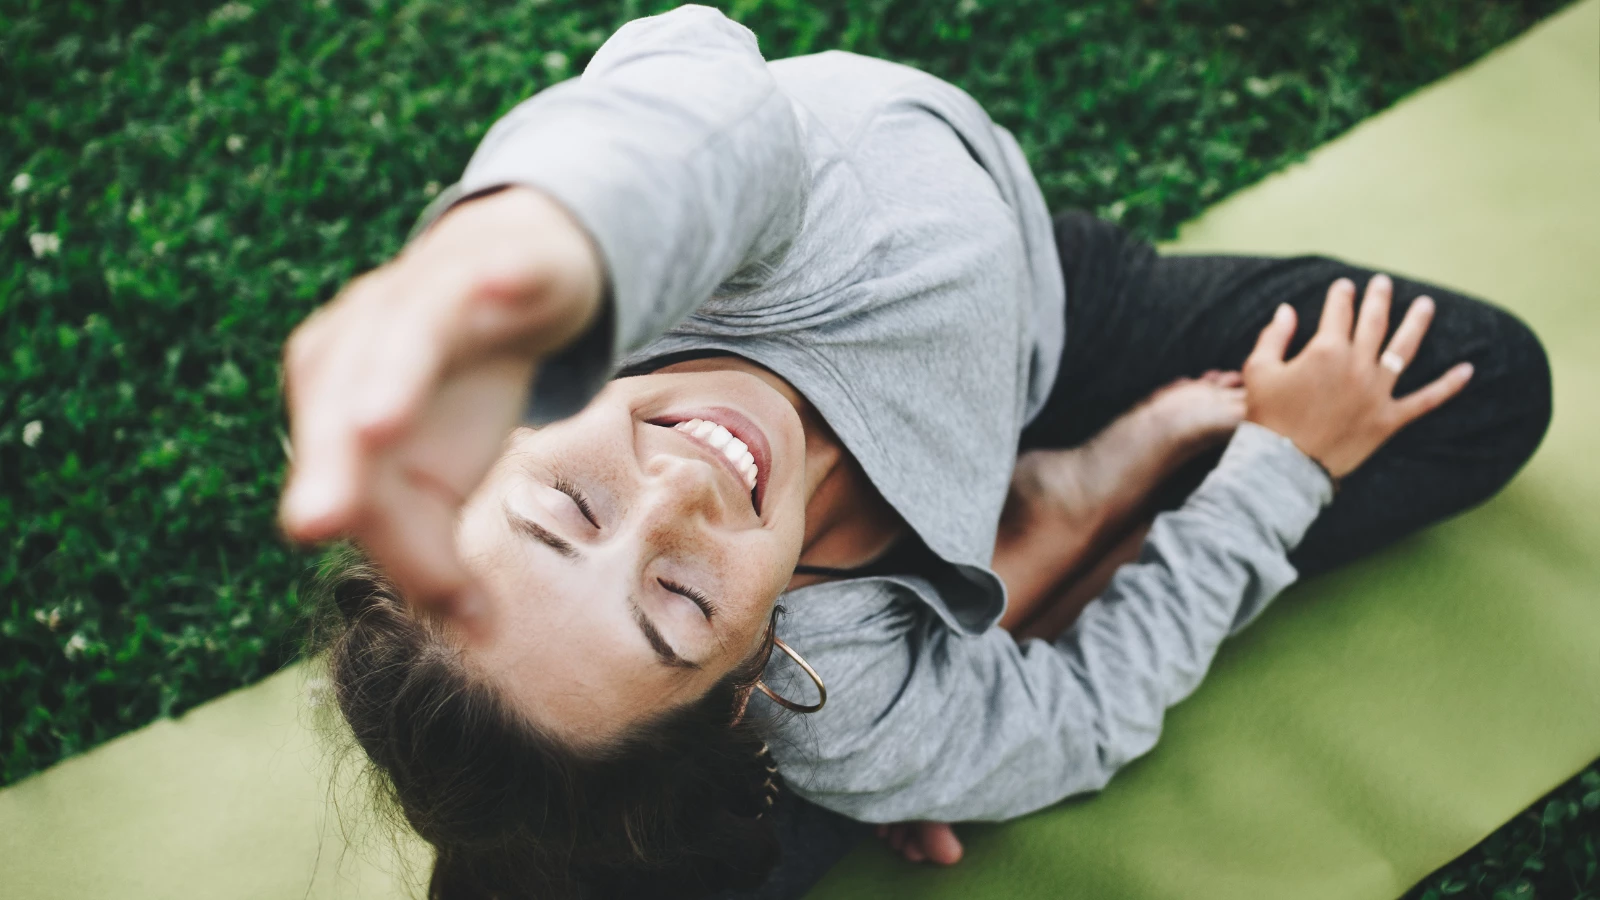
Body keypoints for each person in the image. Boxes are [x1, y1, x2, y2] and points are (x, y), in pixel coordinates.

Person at [280, 5, 1552, 898]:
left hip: (1043, 337)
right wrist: (1277, 460)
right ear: (746, 686)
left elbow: (693, 98)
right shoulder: (828, 689)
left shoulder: (653, 274)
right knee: (557, 875)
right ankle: (1013, 567)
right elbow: (1085, 718)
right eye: (673, 599)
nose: (680, 487)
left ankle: (1030, 543)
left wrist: (517, 249)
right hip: (846, 691)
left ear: (491, 449)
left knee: (1486, 389)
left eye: (567, 507)